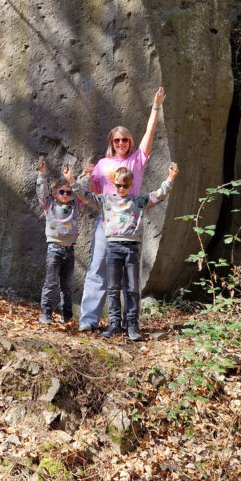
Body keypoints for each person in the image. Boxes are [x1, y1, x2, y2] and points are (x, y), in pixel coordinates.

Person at [78, 87, 166, 333]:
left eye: (124, 140)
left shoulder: (136, 161)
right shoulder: (103, 164)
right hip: (106, 223)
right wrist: (88, 177)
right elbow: (94, 192)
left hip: (129, 225)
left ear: (130, 142)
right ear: (111, 142)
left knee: (130, 278)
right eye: (116, 140)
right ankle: (89, 319)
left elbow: (149, 133)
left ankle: (129, 323)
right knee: (97, 268)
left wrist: (156, 106)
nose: (120, 144)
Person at [75, 161, 178, 341]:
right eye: (118, 185)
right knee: (113, 287)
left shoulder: (137, 201)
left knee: (132, 288)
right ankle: (115, 324)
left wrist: (170, 178)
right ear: (113, 184)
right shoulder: (106, 200)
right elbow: (86, 196)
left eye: (125, 185)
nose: (121, 188)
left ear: (131, 185)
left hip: (132, 248)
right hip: (113, 247)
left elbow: (157, 196)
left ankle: (132, 324)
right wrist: (72, 180)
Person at [35, 158, 80, 324]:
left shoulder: (75, 205)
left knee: (66, 286)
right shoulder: (50, 204)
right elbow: (42, 192)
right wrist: (41, 173)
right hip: (55, 249)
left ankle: (67, 316)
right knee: (51, 283)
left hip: (70, 250)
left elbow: (82, 191)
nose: (66, 195)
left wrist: (84, 177)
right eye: (62, 192)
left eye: (68, 192)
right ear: (55, 193)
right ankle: (46, 314)